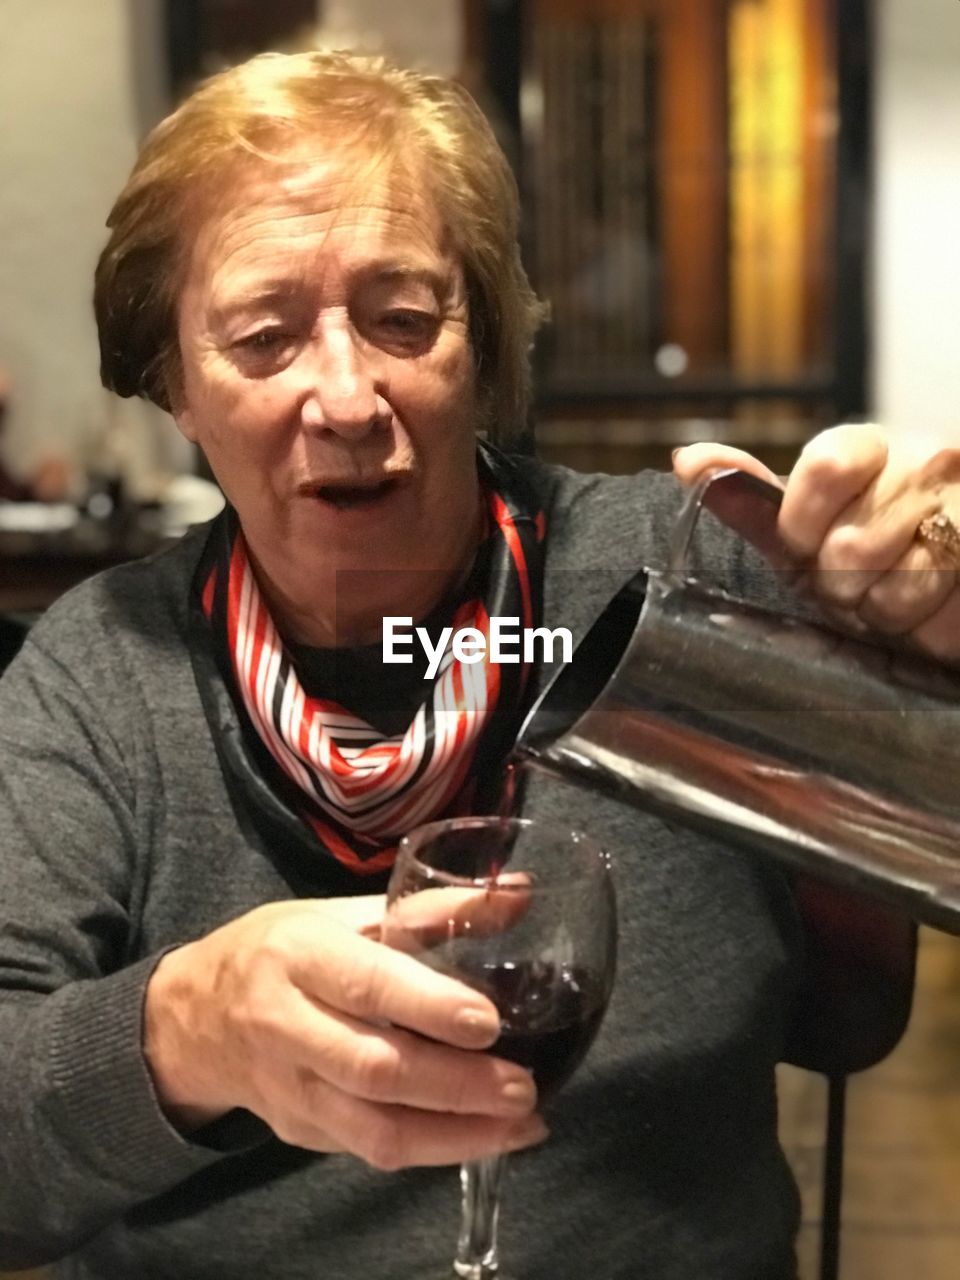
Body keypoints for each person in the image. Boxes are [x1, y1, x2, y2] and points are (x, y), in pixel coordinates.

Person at [0, 49, 957, 1280]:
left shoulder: (680, 574)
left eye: (405, 318)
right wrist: (179, 1033)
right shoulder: (99, 673)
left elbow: (860, 1007)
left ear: (483, 344)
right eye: (262, 336)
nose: (348, 396)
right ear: (174, 385)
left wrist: (920, 673)